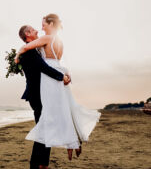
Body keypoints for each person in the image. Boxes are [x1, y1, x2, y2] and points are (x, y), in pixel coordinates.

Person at [15, 14, 100, 160]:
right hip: (57, 74)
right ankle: (72, 144)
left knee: (53, 115)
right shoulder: (59, 41)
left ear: (51, 24)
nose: (40, 28)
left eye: (43, 24)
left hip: (51, 78)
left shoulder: (46, 39)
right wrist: (65, 74)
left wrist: (18, 54)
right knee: (63, 111)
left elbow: (28, 48)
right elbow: (59, 62)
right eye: (38, 27)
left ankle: (66, 147)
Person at [18, 24, 71, 169]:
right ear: (28, 34)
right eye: (33, 29)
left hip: (43, 94)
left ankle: (43, 164)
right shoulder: (29, 52)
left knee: (48, 126)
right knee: (43, 128)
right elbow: (44, 68)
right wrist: (62, 77)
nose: (37, 31)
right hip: (36, 95)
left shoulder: (34, 50)